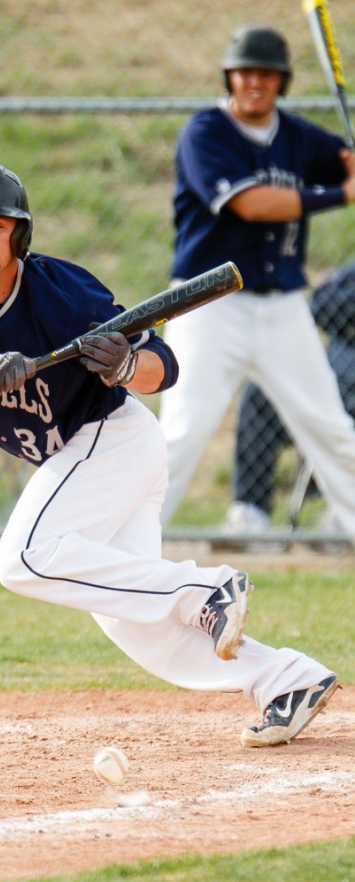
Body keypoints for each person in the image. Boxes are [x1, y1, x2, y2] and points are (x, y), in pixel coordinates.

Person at [0, 161, 339, 747]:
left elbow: (161, 366)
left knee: (24, 558)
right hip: (81, 460)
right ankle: (286, 679)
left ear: (20, 234)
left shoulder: (63, 293)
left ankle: (204, 591)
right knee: (139, 623)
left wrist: (123, 364)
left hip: (109, 438)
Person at [158, 24, 355, 546]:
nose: (255, 82)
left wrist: (349, 165)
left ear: (281, 81)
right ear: (230, 76)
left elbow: (340, 160)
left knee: (330, 428)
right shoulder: (205, 134)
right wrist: (341, 193)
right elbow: (253, 204)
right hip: (208, 306)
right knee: (182, 432)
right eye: (245, 72)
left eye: (266, 74)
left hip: (283, 307)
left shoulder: (297, 137)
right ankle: (125, 545)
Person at [227, 261, 355, 531]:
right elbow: (322, 303)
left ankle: (345, 510)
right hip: (325, 382)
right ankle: (252, 513)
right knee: (258, 394)